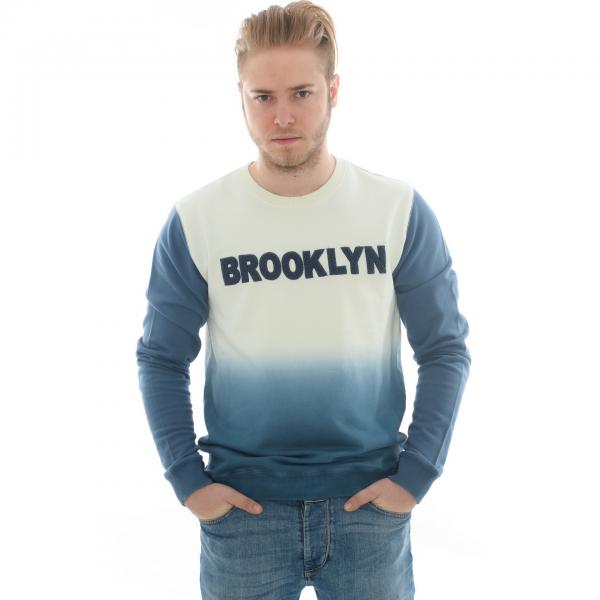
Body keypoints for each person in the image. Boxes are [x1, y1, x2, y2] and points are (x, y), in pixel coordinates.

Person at [135, 2, 471, 598]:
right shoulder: (197, 220)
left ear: (333, 90)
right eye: (263, 97)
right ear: (240, 97)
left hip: (370, 510)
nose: (283, 116)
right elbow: (161, 357)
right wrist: (188, 481)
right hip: (244, 514)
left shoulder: (396, 210)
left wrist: (416, 475)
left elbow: (445, 349)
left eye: (302, 93)